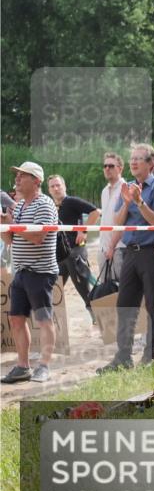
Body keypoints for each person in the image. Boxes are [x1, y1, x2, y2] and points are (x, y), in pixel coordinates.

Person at [98, 144, 154, 372]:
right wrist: (128, 202)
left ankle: (149, 356)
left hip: (152, 254)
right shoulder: (127, 188)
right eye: (132, 158)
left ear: (151, 164)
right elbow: (119, 221)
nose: (134, 162)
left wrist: (139, 202)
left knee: (153, 305)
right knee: (125, 305)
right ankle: (123, 357)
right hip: (130, 252)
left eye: (139, 159)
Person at [0, 162, 59, 383]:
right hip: (22, 271)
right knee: (16, 319)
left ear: (36, 181)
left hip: (41, 272)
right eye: (17, 175)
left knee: (44, 319)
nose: (17, 179)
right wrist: (4, 224)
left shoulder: (44, 204)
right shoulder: (22, 205)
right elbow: (11, 241)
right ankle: (22, 366)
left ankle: (43, 366)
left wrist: (12, 225)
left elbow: (37, 237)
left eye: (22, 175)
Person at [46, 175, 99, 327]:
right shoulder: (52, 206)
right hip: (60, 255)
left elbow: (95, 212)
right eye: (52, 186)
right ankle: (51, 322)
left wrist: (83, 231)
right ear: (49, 190)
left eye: (58, 185)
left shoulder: (71, 201)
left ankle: (99, 316)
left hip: (75, 251)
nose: (56, 188)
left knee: (83, 288)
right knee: (53, 288)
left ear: (64, 186)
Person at [99, 152, 127, 280]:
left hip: (119, 248)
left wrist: (112, 247)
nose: (107, 169)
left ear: (120, 168)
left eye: (111, 166)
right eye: (105, 166)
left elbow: (122, 222)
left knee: (121, 290)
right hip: (103, 248)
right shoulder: (104, 191)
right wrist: (105, 248)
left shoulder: (125, 189)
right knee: (105, 291)